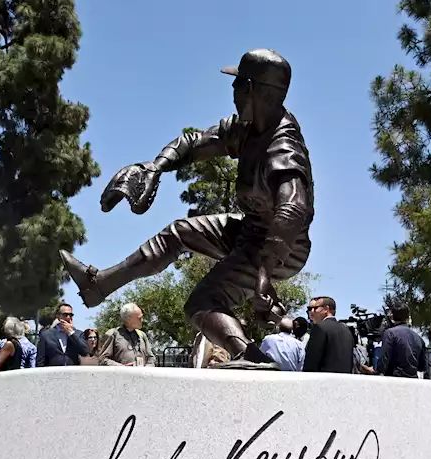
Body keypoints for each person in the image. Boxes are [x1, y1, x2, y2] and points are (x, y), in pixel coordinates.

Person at [60, 49, 312, 366]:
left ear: (252, 89)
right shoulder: (246, 129)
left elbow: (293, 211)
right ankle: (99, 285)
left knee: (202, 303)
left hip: (282, 247)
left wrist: (263, 273)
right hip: (251, 231)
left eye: (237, 84)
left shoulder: (283, 144)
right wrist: (155, 167)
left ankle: (250, 357)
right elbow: (193, 142)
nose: (232, 92)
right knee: (178, 233)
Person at [303, 296, 355, 374]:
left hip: (323, 382)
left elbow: (311, 363)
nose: (313, 311)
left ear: (326, 309)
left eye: (316, 308)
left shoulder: (319, 328)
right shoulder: (346, 330)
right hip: (344, 381)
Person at [377, 305, 427, 378]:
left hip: (394, 381)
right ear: (408, 317)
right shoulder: (419, 338)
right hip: (413, 381)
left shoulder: (390, 333)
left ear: (392, 316)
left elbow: (383, 362)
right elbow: (422, 367)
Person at [35, 302, 89, 367]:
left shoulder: (78, 334)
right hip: (53, 374)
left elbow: (84, 352)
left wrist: (71, 333)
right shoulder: (46, 335)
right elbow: (40, 362)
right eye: (65, 315)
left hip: (72, 374)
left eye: (71, 315)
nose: (68, 318)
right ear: (58, 316)